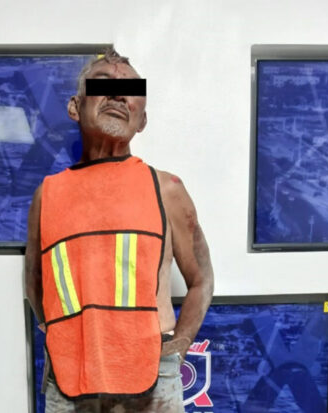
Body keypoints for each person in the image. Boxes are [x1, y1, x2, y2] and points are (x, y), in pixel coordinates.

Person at [25, 48, 214, 413]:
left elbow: (202, 279)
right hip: (69, 375)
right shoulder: (46, 195)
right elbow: (35, 282)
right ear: (75, 107)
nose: (117, 94)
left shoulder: (167, 189)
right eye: (102, 84)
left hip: (153, 377)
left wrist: (179, 346)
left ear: (142, 119)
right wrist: (58, 336)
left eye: (131, 89)